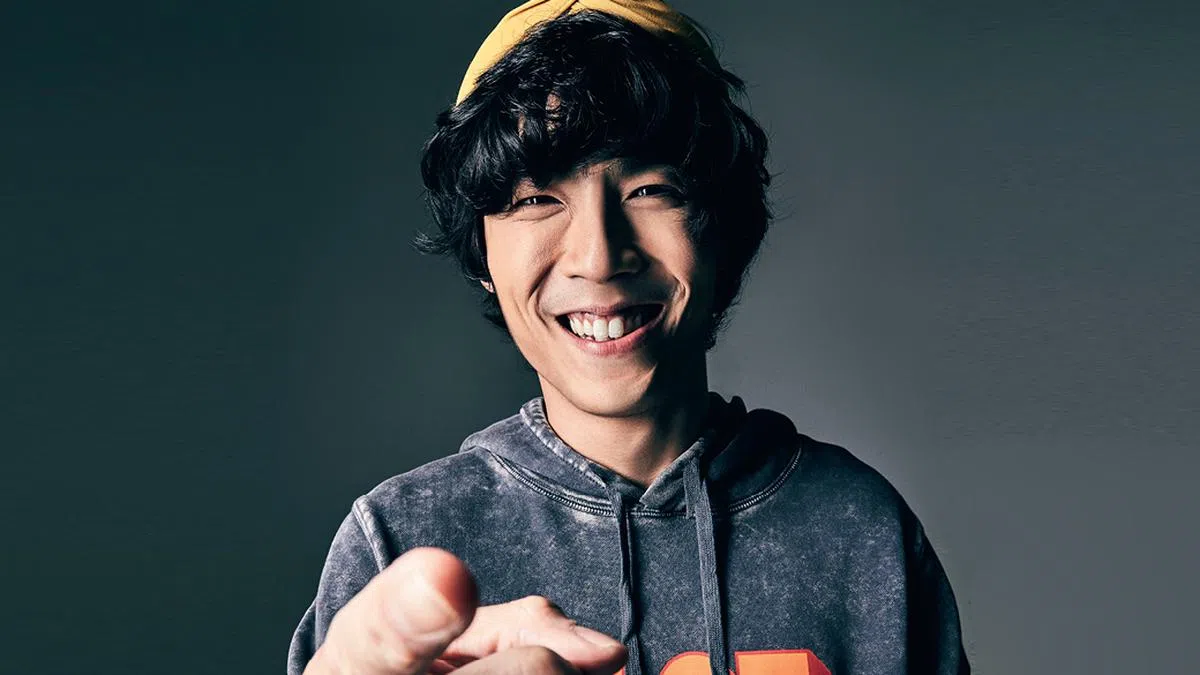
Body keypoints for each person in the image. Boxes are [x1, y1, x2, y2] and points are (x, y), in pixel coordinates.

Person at [289, 1, 971, 674]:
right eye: (536, 199)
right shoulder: (397, 541)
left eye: (651, 189)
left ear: (724, 232)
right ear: (484, 257)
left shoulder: (860, 528)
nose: (598, 257)